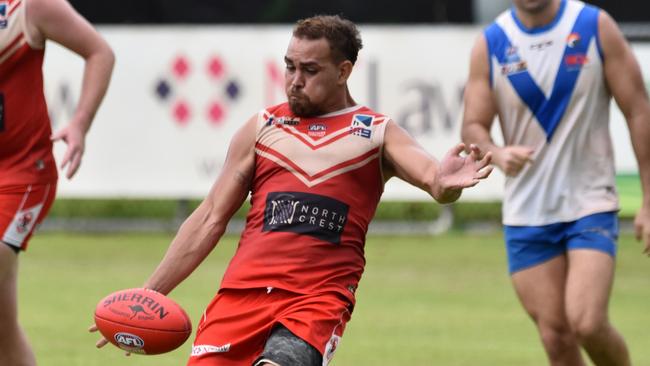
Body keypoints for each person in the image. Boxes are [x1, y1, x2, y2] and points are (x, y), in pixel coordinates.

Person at [91, 15, 491, 365]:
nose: (295, 81)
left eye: (310, 70)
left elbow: (433, 179)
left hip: (315, 300)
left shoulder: (375, 132)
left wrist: (445, 182)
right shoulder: (262, 128)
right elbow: (210, 217)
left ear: (344, 71)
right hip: (240, 296)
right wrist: (146, 297)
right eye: (289, 67)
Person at [461, 0, 650, 365]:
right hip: (526, 210)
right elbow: (473, 125)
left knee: (587, 322)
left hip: (590, 201)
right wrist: (496, 152)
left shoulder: (594, 25)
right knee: (556, 337)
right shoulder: (493, 42)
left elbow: (638, 109)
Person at [0, 0, 114, 364]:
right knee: (2, 326)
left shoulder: (30, 6)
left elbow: (100, 52)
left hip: (23, 174)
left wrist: (79, 123)